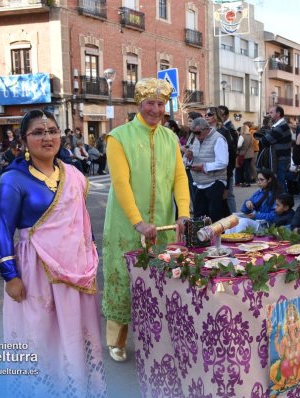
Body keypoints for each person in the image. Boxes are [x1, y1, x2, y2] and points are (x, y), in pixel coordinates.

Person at [0, 110, 107, 396]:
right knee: (41, 335)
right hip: (36, 271)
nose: (48, 137)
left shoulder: (74, 175)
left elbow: (81, 224)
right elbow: (3, 230)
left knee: (76, 334)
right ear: (23, 140)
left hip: (76, 274)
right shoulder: (12, 180)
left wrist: (90, 260)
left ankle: (79, 388)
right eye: (39, 132)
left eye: (53, 131)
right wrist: (10, 276)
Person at [102, 78, 190, 362]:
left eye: (160, 104)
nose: (155, 109)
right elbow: (120, 182)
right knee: (123, 281)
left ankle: (158, 339)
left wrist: (184, 213)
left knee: (160, 282)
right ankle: (116, 340)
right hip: (127, 225)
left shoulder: (170, 138)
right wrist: (137, 222)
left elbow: (179, 176)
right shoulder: (118, 137)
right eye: (150, 103)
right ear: (139, 104)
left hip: (163, 224)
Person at [188, 117, 229, 222]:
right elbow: (192, 158)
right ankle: (201, 238)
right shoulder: (196, 139)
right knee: (199, 216)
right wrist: (189, 157)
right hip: (200, 183)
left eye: (198, 133)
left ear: (206, 129)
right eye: (194, 133)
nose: (196, 136)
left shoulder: (218, 139)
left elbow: (223, 162)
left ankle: (218, 238)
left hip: (214, 182)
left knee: (214, 216)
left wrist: (204, 167)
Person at [255, 105, 292, 191]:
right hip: (279, 159)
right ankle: (280, 202)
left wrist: (264, 134)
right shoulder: (277, 126)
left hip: (280, 160)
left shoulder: (281, 127)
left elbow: (265, 141)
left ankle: (283, 203)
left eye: (271, 112)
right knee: (278, 184)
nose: (269, 115)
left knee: (279, 184)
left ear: (278, 114)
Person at [236, 121, 254, 187]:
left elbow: (239, 145)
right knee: (248, 169)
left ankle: (245, 182)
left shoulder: (242, 136)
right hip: (250, 155)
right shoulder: (250, 136)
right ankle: (248, 181)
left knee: (243, 169)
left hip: (243, 154)